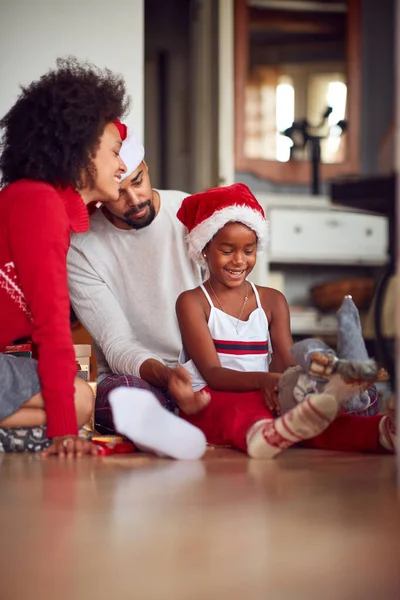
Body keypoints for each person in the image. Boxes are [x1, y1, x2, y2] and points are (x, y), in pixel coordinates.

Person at [171, 183, 396, 458]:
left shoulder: (272, 300)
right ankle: (260, 433)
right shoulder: (192, 302)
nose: (239, 260)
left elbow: (287, 359)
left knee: (311, 414)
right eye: (227, 250)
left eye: (249, 250)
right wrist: (265, 381)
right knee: (234, 410)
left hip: (262, 389)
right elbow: (214, 375)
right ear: (204, 250)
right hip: (211, 397)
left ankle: (379, 431)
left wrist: (317, 380)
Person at [0, 56, 130, 457]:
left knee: (78, 398)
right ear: (80, 150)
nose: (122, 166)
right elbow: (51, 325)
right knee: (76, 402)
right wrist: (62, 434)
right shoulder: (38, 203)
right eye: (114, 151)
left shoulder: (45, 204)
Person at [67, 132, 209, 436]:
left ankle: (169, 428)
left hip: (207, 368)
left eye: (138, 180)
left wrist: (208, 374)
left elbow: (227, 301)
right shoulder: (80, 247)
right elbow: (118, 345)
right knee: (122, 397)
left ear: (147, 167)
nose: (134, 200)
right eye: (118, 192)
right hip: (140, 378)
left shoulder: (188, 211)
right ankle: (175, 427)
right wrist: (168, 376)